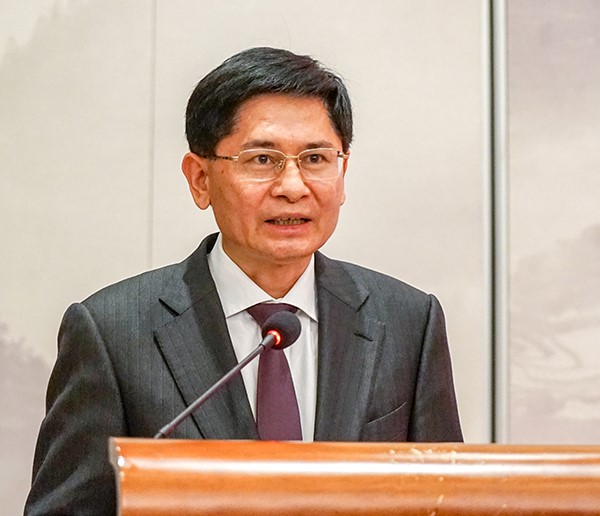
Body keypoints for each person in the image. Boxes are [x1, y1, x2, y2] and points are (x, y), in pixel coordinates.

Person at [25, 47, 462, 515]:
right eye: (262, 160)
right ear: (200, 179)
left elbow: (449, 501)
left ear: (343, 172)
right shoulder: (113, 334)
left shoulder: (407, 323)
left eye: (316, 158)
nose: (292, 186)